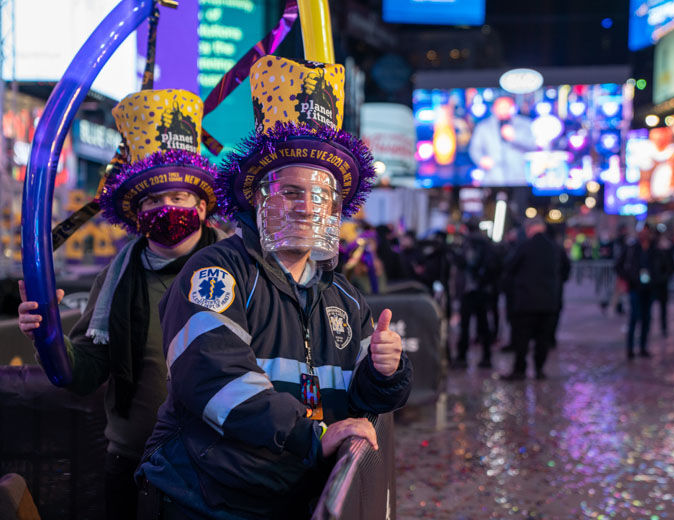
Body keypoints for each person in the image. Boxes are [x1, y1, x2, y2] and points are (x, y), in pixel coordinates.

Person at [135, 55, 413, 519]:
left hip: (287, 497)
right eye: (289, 191)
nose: (306, 207)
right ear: (257, 198)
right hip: (206, 499)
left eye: (319, 195)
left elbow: (363, 401)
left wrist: (385, 370)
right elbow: (214, 380)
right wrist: (314, 436)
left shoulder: (342, 295)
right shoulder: (216, 274)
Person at [17, 89, 221, 520]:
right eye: (152, 200)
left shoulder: (239, 270)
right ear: (136, 214)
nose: (165, 208)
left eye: (177, 197)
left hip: (221, 464)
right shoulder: (117, 276)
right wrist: (47, 334)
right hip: (133, 464)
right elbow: (85, 371)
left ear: (202, 206)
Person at [501, 217, 561, 380]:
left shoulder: (525, 246)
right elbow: (564, 269)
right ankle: (539, 369)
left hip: (526, 300)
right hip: (548, 301)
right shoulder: (554, 247)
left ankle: (520, 370)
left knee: (522, 337)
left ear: (529, 229)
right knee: (543, 338)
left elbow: (509, 266)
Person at [453, 219, 496, 369]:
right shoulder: (486, 243)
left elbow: (467, 263)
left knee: (465, 326)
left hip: (470, 289)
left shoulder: (469, 243)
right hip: (482, 290)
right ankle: (487, 356)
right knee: (483, 325)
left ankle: (462, 356)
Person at [468, 96, 536, 185]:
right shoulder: (483, 126)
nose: (504, 110)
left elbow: (534, 146)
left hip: (519, 178)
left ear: (513, 108)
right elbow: (474, 149)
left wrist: (515, 137)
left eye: (507, 106)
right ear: (494, 109)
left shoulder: (525, 124)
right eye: (500, 107)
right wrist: (481, 160)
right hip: (492, 178)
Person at [616, 225, 657, 359]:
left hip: (649, 288)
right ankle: (630, 348)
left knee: (646, 318)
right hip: (635, 288)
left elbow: (663, 265)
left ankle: (643, 347)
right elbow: (618, 265)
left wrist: (658, 278)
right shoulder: (632, 248)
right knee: (634, 317)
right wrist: (629, 277)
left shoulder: (654, 249)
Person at [652, 226, 674, 338]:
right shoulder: (652, 246)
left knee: (663, 307)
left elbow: (671, 264)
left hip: (662, 281)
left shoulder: (667, 247)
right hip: (654, 281)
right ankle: (651, 328)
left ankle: (663, 328)